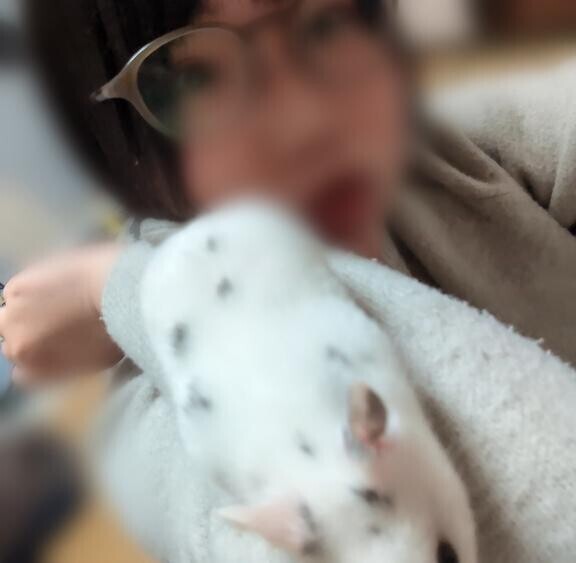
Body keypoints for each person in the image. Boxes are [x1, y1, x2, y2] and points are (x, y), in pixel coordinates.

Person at [1, 0, 575, 560]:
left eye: (327, 24)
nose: (308, 120)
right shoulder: (158, 420)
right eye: (197, 77)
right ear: (112, 134)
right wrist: (132, 286)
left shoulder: (444, 149)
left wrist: (114, 284)